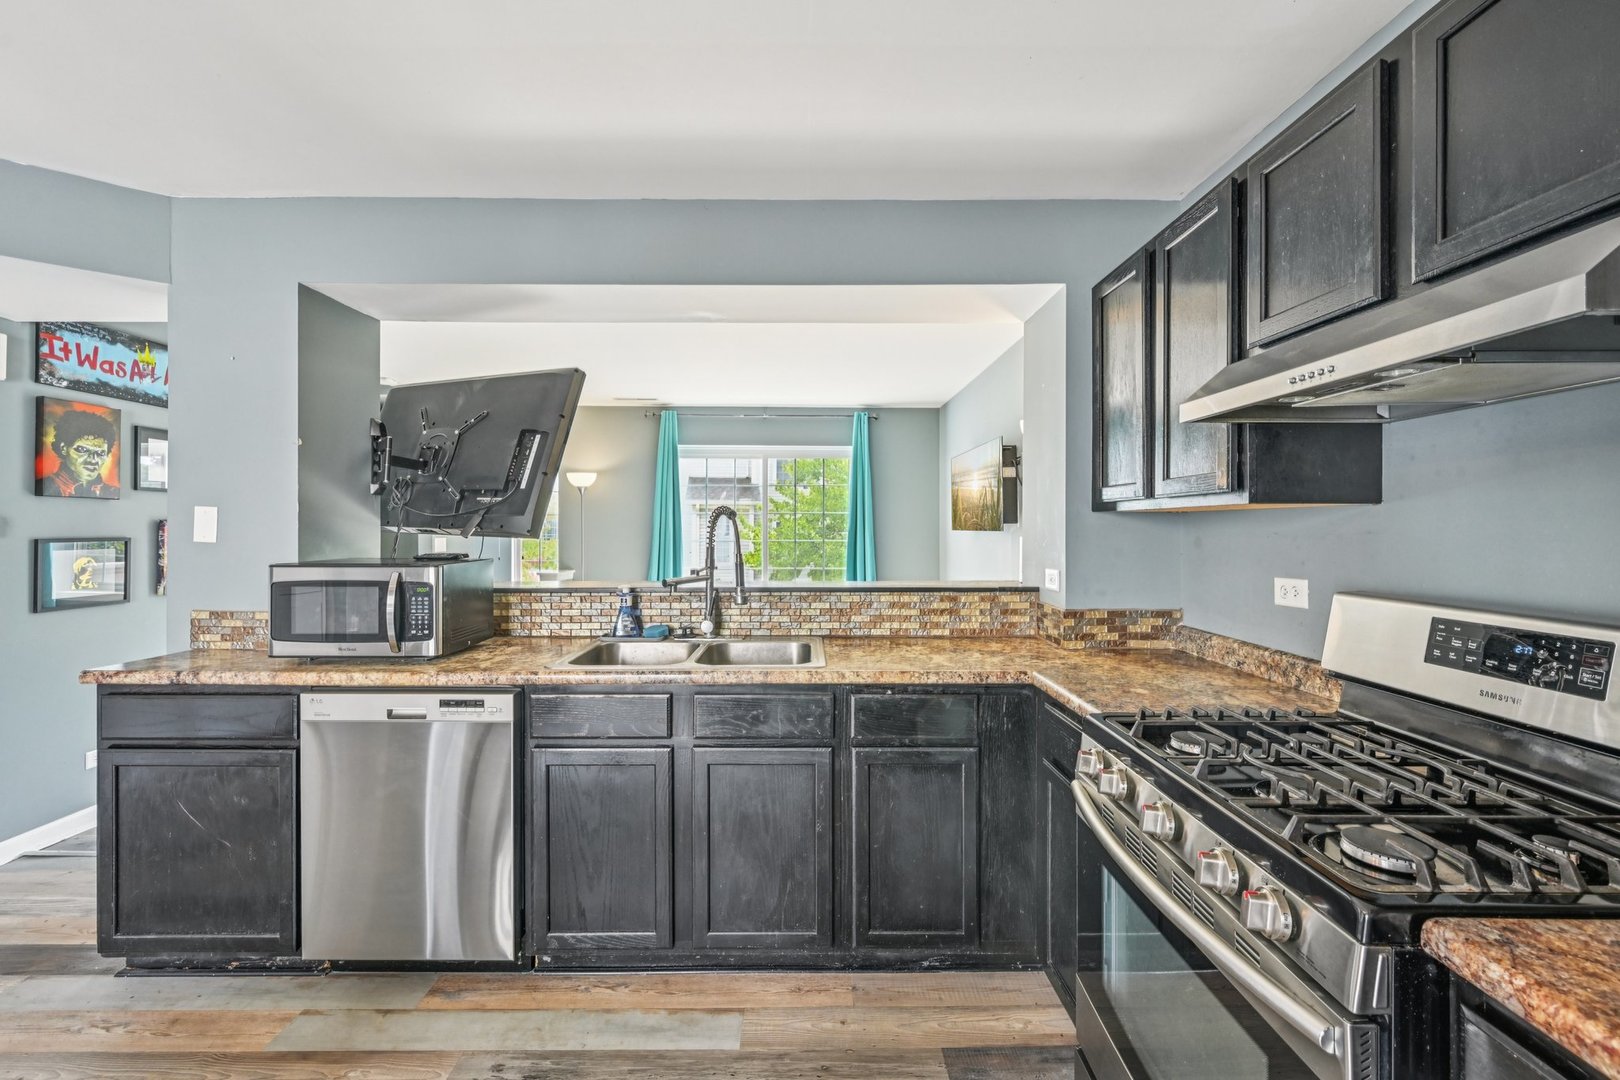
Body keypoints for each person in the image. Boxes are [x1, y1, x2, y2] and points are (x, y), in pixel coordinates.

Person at [42, 409, 119, 497]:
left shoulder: (113, 493)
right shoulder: (45, 487)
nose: (93, 460)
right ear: (64, 448)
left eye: (100, 453)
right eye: (82, 450)